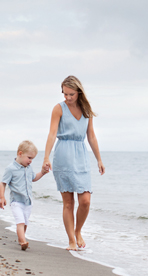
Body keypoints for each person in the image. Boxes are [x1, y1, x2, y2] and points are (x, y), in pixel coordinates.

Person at [42, 75, 105, 251]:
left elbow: (91, 136)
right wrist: (46, 157)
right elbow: (52, 134)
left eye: (71, 94)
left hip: (81, 155)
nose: (67, 98)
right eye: (65, 94)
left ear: (78, 92)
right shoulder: (58, 108)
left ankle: (78, 231)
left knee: (85, 200)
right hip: (63, 155)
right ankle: (71, 240)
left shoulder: (86, 110)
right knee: (68, 202)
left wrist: (99, 159)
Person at [0, 140, 49, 250]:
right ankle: (22, 241)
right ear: (20, 154)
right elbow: (3, 184)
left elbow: (34, 178)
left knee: (25, 222)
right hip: (16, 201)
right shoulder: (11, 168)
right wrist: (2, 197)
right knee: (20, 221)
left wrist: (43, 172)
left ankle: (21, 238)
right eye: (29, 158)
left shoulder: (28, 168)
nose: (31, 161)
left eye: (32, 159)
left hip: (28, 201)